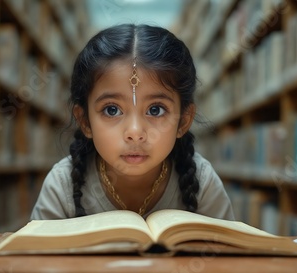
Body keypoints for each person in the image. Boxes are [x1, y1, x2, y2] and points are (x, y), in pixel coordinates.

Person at [31, 24, 234, 220]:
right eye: (112, 110)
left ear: (183, 121)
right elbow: (35, 254)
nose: (135, 132)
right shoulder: (62, 186)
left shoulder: (203, 183)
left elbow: (229, 253)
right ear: (85, 121)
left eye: (156, 110)